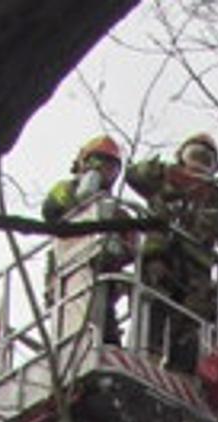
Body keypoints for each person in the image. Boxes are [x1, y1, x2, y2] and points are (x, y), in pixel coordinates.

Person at [124, 133, 218, 369]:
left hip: (197, 270)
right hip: (161, 257)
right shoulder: (166, 182)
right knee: (154, 303)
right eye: (194, 154)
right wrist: (165, 173)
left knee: (193, 320)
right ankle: (147, 356)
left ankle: (186, 369)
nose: (199, 162)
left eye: (207, 159)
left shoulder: (216, 198)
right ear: (182, 157)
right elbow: (132, 174)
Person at [42, 135, 134, 344]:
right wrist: (82, 199)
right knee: (69, 319)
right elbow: (50, 209)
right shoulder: (65, 188)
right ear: (83, 163)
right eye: (97, 162)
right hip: (67, 267)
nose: (102, 170)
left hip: (103, 271)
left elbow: (131, 245)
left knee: (105, 323)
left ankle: (109, 342)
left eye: (110, 167)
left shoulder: (117, 210)